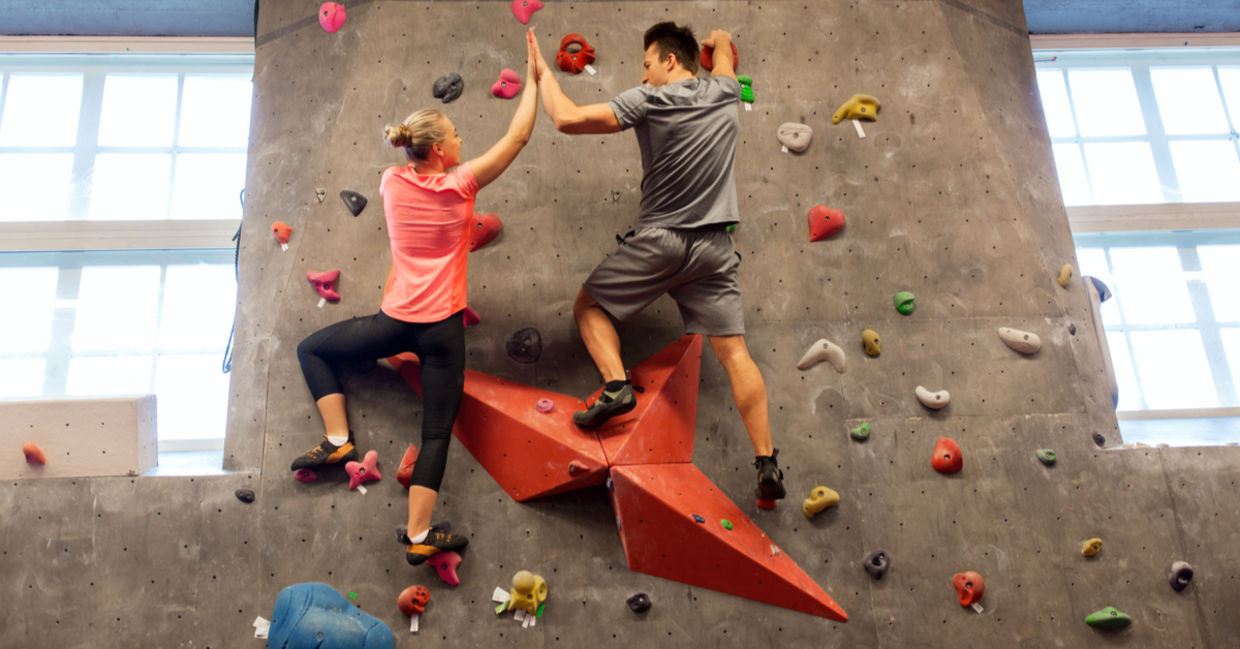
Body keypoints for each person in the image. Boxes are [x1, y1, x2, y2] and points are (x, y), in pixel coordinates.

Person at [291, 31, 541, 564]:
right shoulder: (460, 186)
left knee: (311, 349)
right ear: (442, 150)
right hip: (443, 333)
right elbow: (516, 139)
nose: (460, 140)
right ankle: (419, 536)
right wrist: (535, 82)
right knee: (435, 434)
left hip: (394, 325)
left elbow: (408, 168)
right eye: (455, 134)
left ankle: (338, 439)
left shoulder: (389, 182)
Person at [529, 23, 786, 503]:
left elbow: (566, 119)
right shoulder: (726, 91)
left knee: (589, 306)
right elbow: (725, 47)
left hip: (662, 241)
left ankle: (615, 386)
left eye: (647, 64)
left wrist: (543, 73)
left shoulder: (650, 101)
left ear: (670, 61)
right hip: (715, 249)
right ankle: (766, 459)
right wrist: (717, 39)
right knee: (735, 354)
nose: (644, 77)